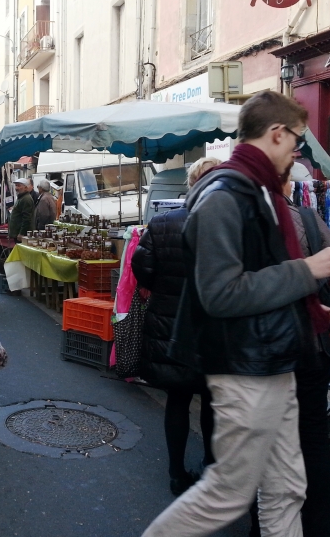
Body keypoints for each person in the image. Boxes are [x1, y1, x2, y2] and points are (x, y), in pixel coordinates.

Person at [142, 90, 330, 537]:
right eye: (296, 142)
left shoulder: (256, 192)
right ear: (277, 134)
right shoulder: (226, 195)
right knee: (229, 493)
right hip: (244, 366)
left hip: (272, 360)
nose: (297, 154)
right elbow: (220, 294)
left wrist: (307, 307)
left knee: (287, 488)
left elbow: (258, 277)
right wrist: (308, 270)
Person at [246, 164, 330, 537]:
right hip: (310, 350)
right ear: (288, 181)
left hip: (261, 355)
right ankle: (317, 529)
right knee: (313, 443)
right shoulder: (306, 218)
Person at [131, 157, 220, 497]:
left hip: (171, 325)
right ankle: (211, 468)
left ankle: (175, 471)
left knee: (178, 399)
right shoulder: (231, 222)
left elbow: (143, 266)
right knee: (212, 402)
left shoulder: (165, 222)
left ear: (192, 183)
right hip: (213, 328)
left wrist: (163, 287)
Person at [8, 178, 34, 242]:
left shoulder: (26, 199)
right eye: (16, 185)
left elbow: (27, 218)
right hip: (17, 233)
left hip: (21, 235)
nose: (16, 188)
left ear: (25, 188)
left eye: (19, 186)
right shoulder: (21, 197)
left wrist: (21, 233)